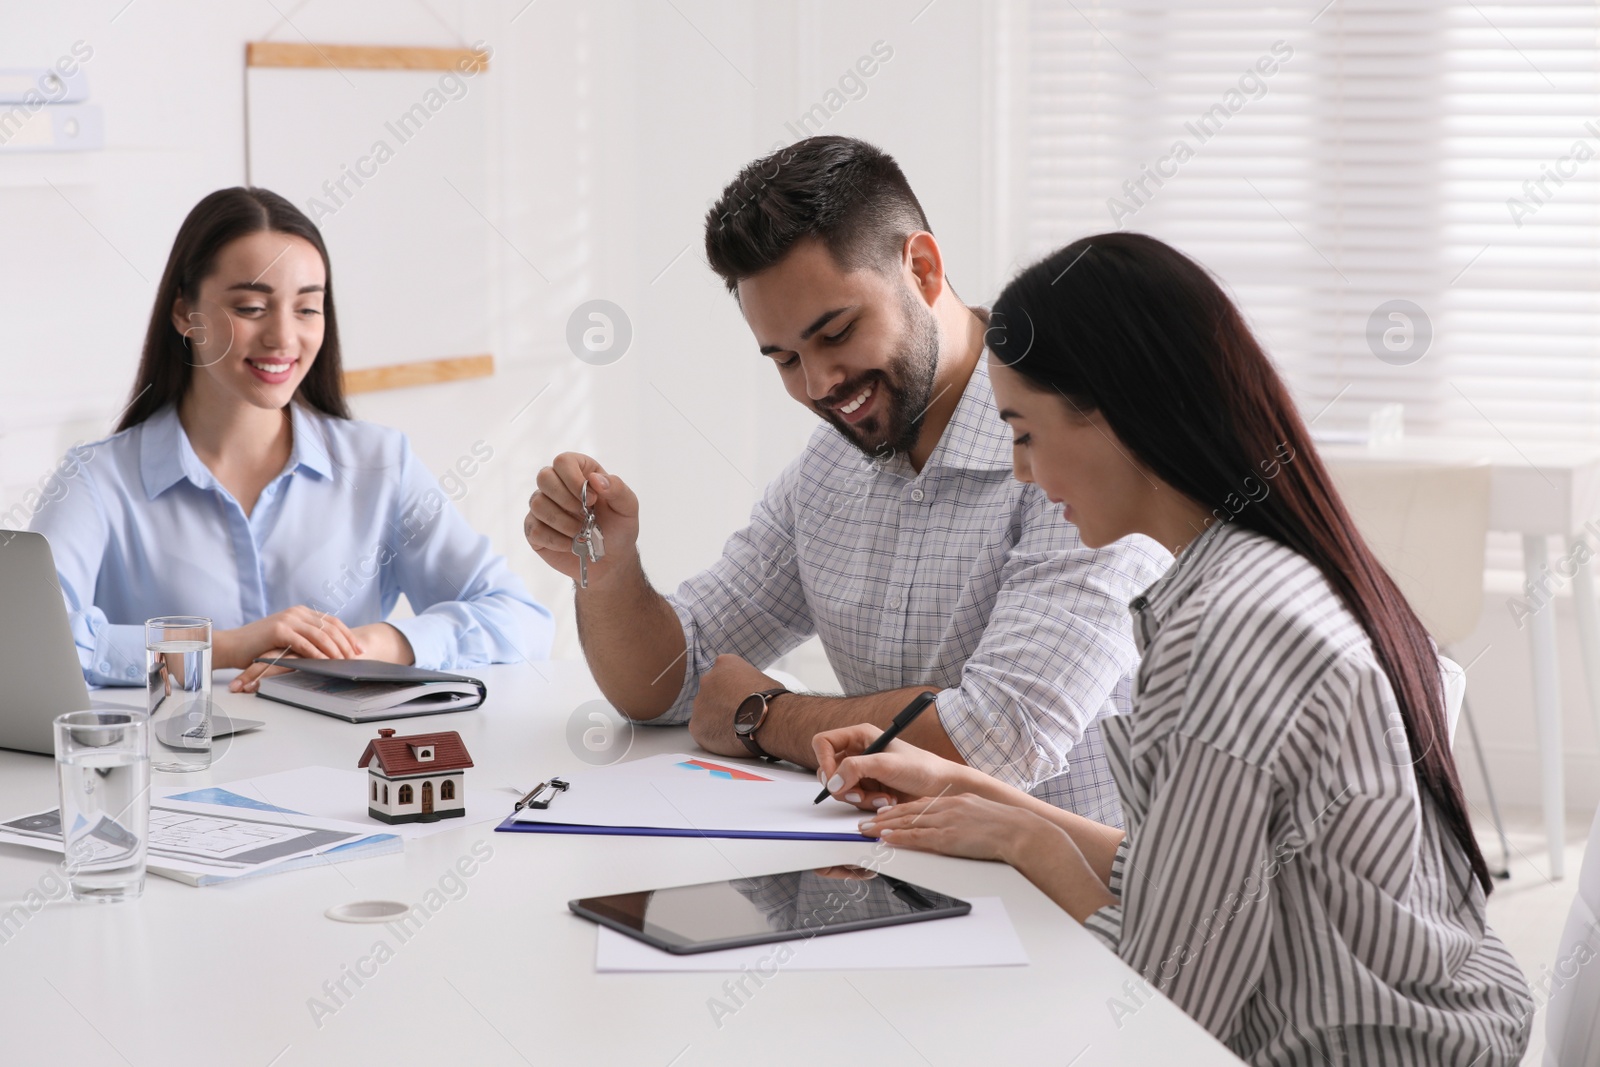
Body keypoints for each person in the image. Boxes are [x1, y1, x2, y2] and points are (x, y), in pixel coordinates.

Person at [814, 232, 1533, 1064]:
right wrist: (981, 796)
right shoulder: (1270, 568)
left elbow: (1167, 999)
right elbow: (1197, 877)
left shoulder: (1227, 629)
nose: (1019, 470)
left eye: (1024, 431)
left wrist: (1029, 842)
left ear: (1117, 412)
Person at [522, 136, 1167, 823]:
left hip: (1061, 910)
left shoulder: (1076, 443)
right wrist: (610, 570)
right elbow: (668, 684)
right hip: (890, 879)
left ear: (921, 269)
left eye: (836, 332)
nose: (819, 384)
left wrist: (765, 713)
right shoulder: (829, 468)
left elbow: (1002, 737)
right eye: (784, 358)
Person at [32, 187, 552, 690]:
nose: (283, 338)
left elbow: (520, 618)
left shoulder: (380, 464)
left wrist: (377, 645)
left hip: (346, 774)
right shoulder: (97, 479)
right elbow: (30, 649)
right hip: (177, 775)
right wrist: (225, 646)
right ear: (184, 313)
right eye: (251, 308)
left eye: (306, 308)